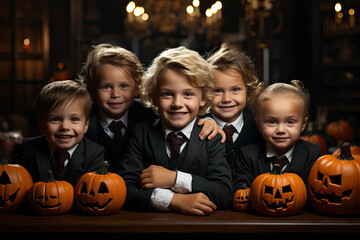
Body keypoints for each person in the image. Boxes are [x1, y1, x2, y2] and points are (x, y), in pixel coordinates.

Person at [118, 46, 232, 216]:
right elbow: (123, 190)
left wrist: (175, 179)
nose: (177, 103)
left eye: (188, 94)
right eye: (167, 94)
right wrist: (172, 200)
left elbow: (223, 193)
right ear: (153, 97)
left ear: (203, 98)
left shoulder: (211, 136)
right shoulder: (143, 133)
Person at [78, 43, 225, 172]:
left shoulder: (148, 114)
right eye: (106, 87)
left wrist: (207, 121)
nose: (115, 94)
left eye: (123, 86)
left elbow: (179, 117)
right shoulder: (81, 120)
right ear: (92, 90)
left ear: (137, 88)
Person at [233, 80, 321, 191]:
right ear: (259, 125)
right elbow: (241, 186)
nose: (280, 130)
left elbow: (316, 190)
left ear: (303, 124)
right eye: (272, 122)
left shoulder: (312, 153)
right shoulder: (248, 155)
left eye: (290, 122)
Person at [14, 80, 104, 186]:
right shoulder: (29, 148)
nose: (65, 127)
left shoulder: (94, 154)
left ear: (86, 125)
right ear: (42, 125)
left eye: (74, 119)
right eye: (56, 119)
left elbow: (92, 192)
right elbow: (13, 181)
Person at [206, 44, 262, 171]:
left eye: (235, 90)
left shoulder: (259, 127)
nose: (227, 99)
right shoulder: (198, 127)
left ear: (248, 90)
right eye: (218, 91)